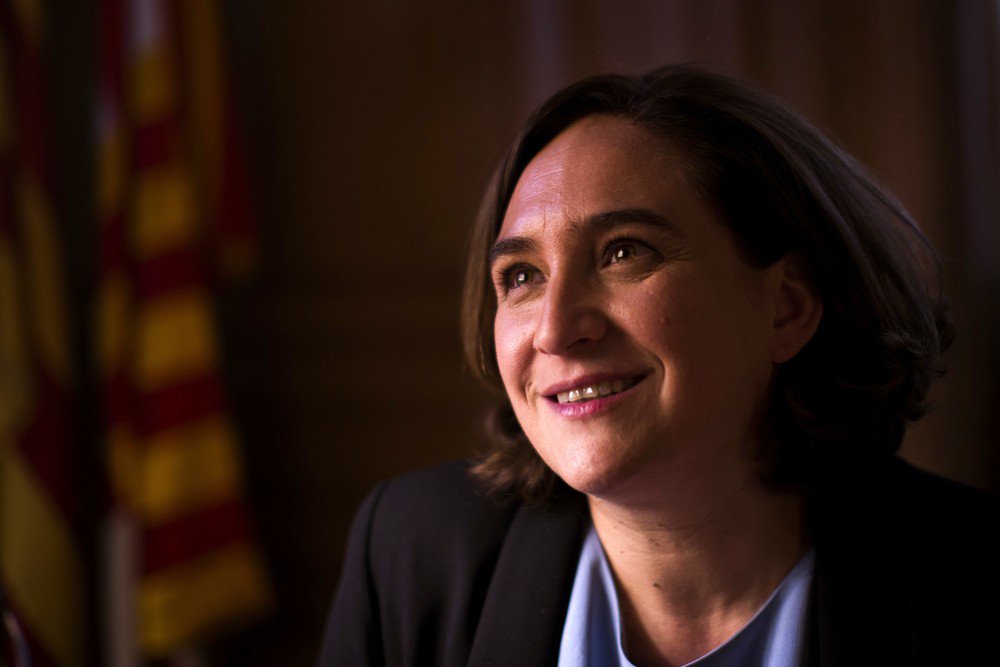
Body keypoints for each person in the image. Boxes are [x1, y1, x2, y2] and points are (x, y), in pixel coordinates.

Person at [318, 65, 999, 666]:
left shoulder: (973, 584)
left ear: (787, 307)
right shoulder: (412, 554)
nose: (555, 329)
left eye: (624, 252)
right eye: (522, 275)